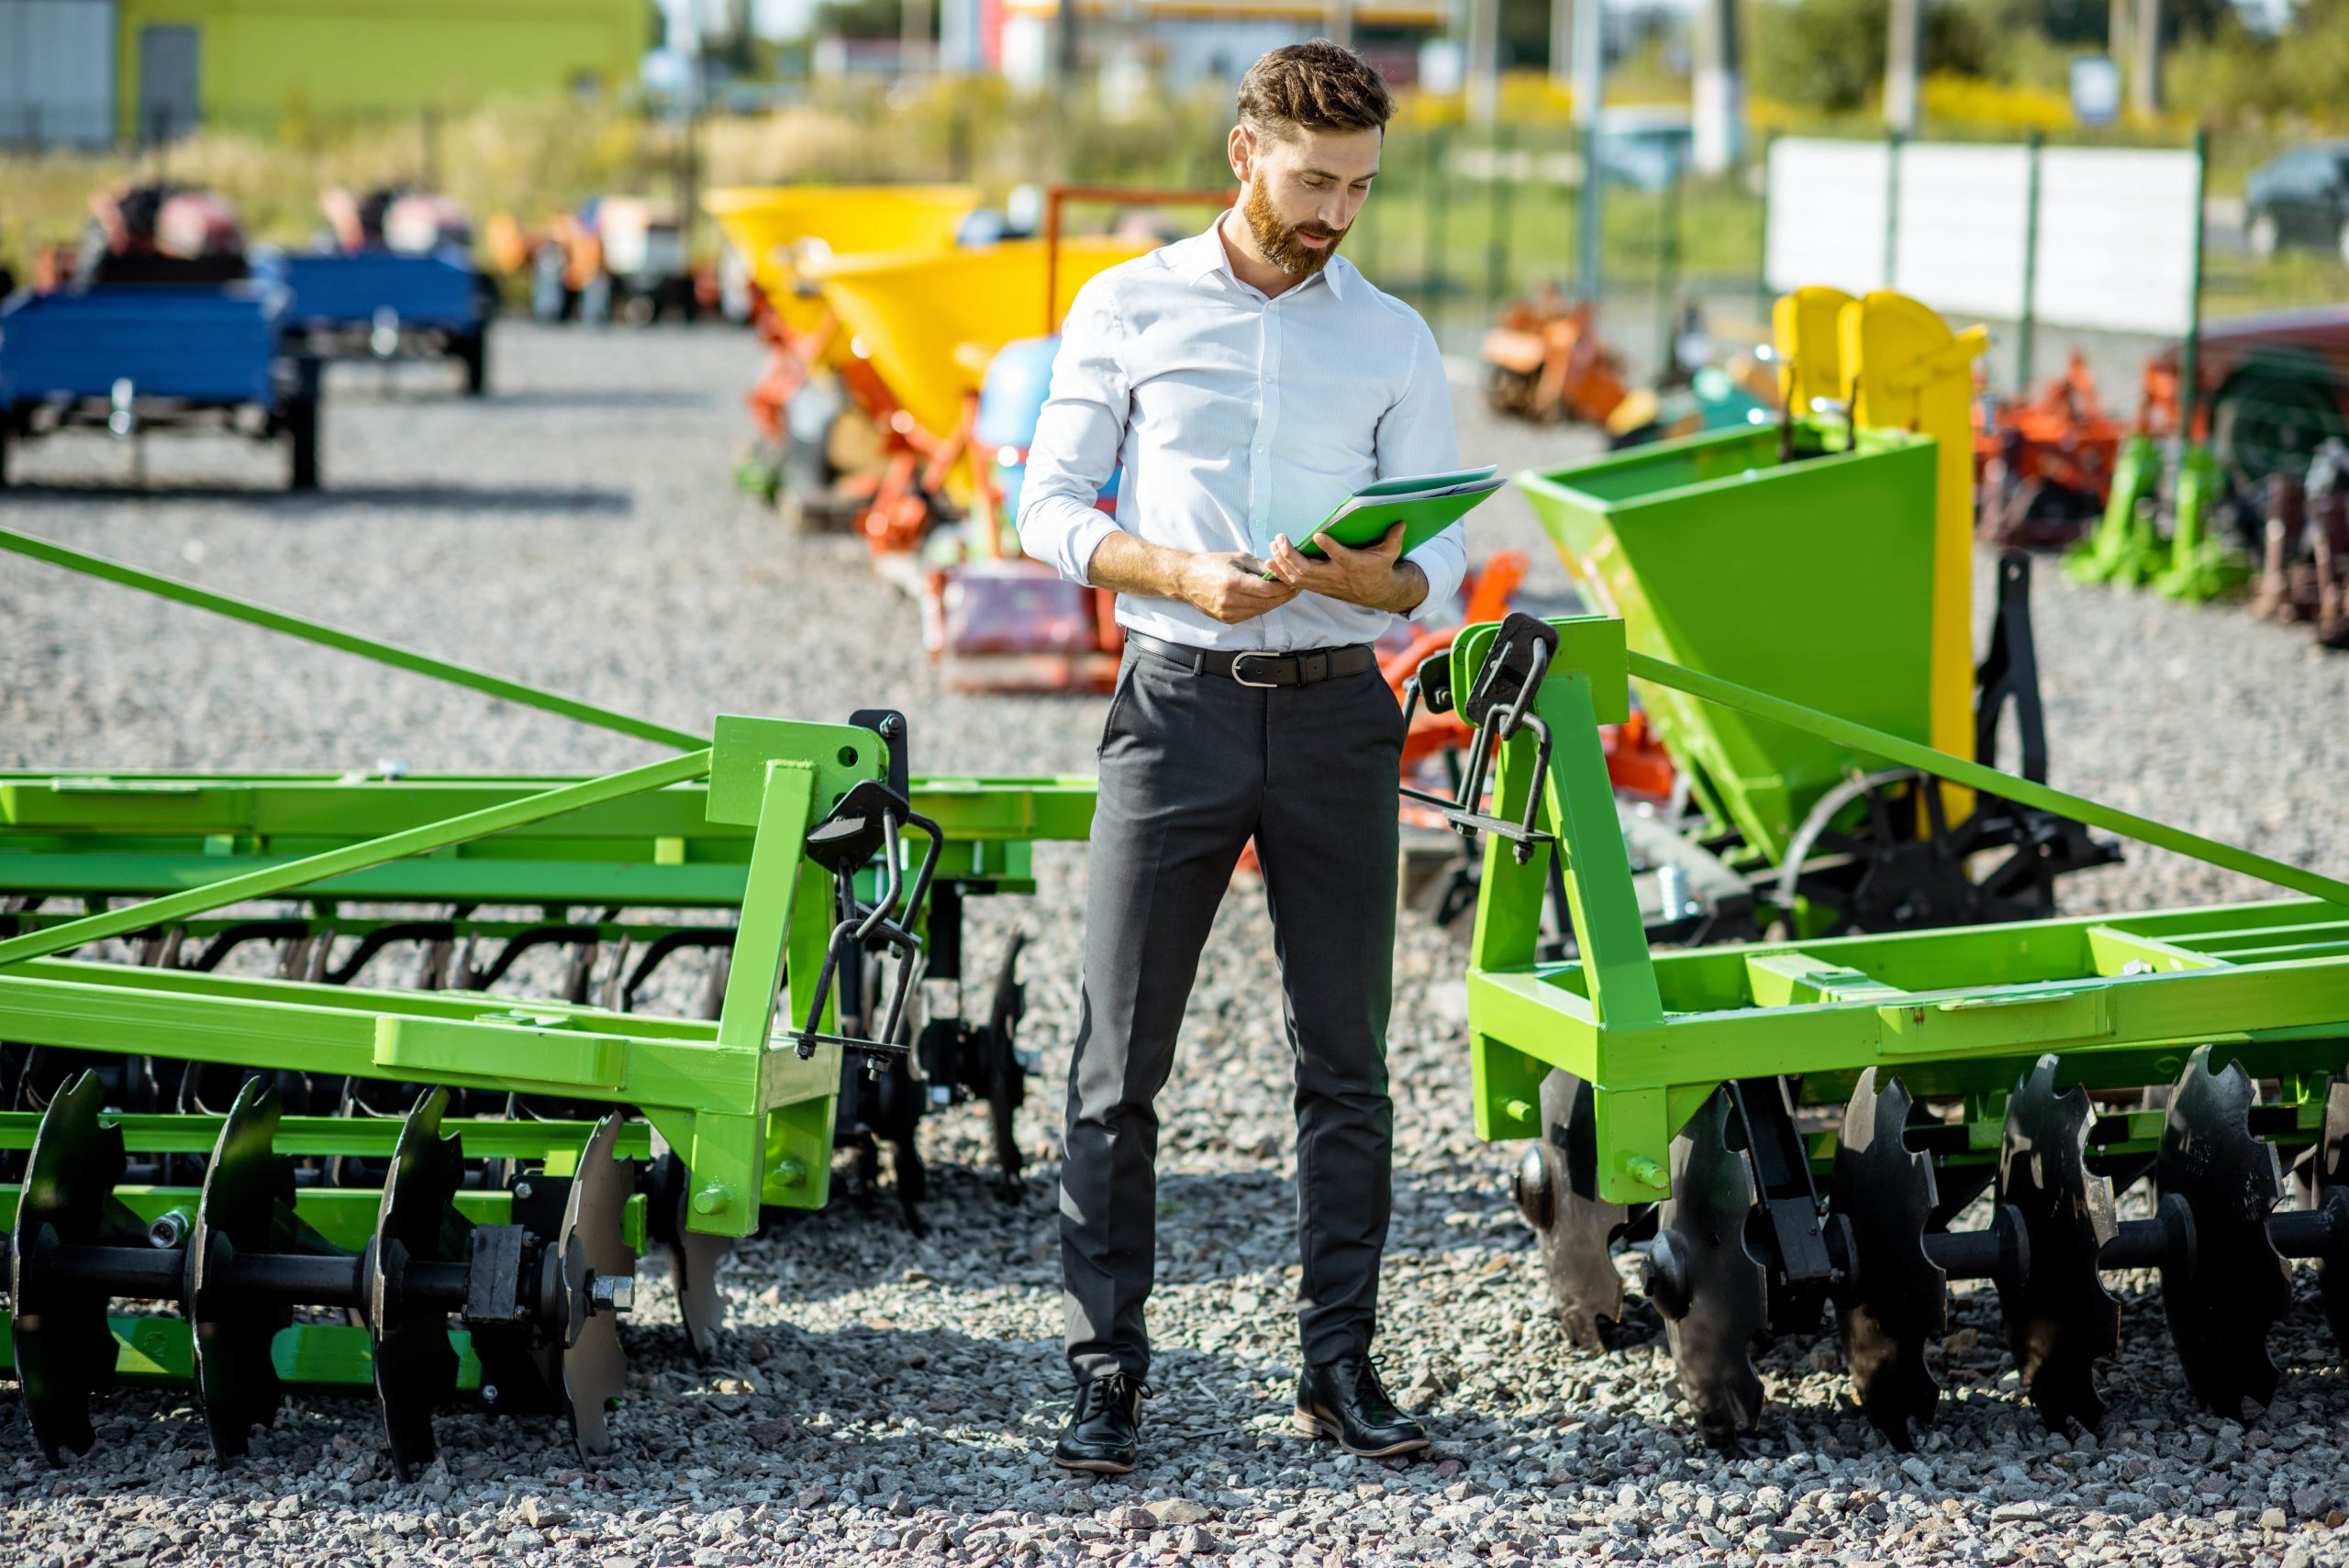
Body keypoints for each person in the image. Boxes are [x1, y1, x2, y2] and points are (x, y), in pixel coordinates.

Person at [1016, 39, 1466, 1475]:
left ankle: (1339, 1367)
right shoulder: (1126, 303)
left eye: (1360, 187)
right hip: (1176, 709)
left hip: (1339, 715)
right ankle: (1105, 1375)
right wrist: (1175, 571)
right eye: (1315, 180)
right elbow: (1045, 505)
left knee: (1348, 1064)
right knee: (1115, 1061)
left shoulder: (1392, 337)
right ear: (1243, 153)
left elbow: (1445, 564)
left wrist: (1372, 576)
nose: (1337, 211)